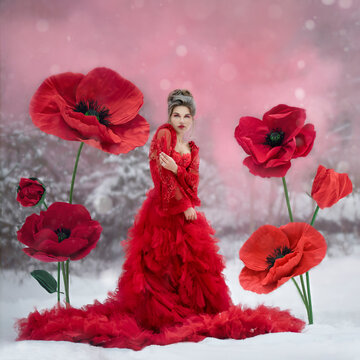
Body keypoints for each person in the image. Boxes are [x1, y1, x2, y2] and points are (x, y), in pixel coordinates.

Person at [16, 89, 304, 350]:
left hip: (186, 209)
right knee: (159, 262)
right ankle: (158, 313)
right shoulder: (163, 136)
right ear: (169, 116)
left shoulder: (192, 148)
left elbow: (192, 180)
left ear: (192, 119)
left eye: (186, 116)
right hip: (164, 210)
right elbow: (159, 174)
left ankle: (189, 310)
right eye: (176, 115)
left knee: (191, 264)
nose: (180, 120)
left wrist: (183, 185)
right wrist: (180, 199)